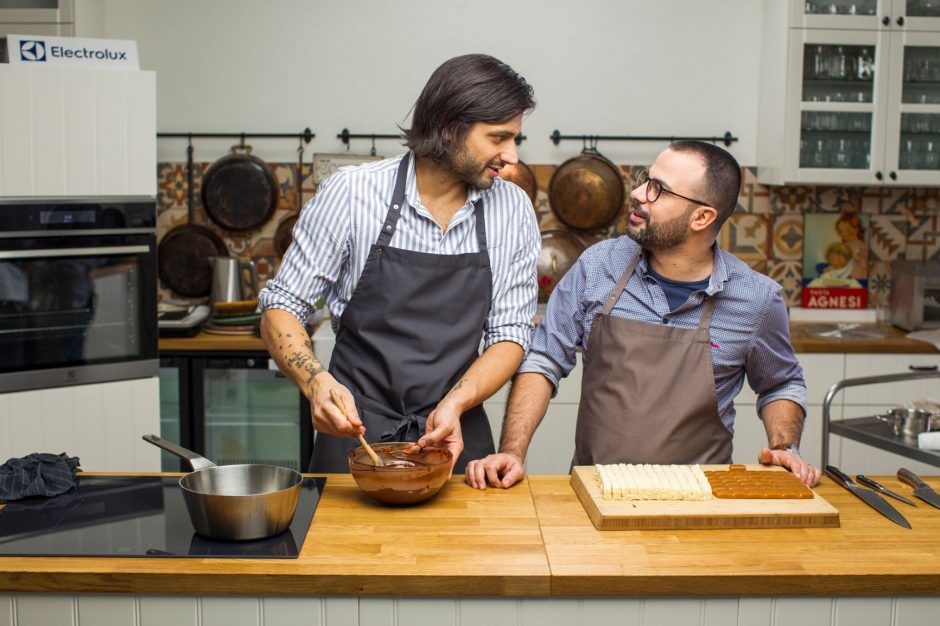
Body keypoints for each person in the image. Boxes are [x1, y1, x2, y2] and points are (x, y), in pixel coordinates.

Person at [466, 141, 822, 490]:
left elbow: (780, 384)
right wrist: (512, 452)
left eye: (658, 190)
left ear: (702, 217)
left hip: (700, 505)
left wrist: (784, 448)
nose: (637, 193)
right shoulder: (598, 265)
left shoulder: (757, 299)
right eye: (644, 179)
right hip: (596, 497)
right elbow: (543, 360)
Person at [258, 54, 539, 474]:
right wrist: (316, 381)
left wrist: (456, 402)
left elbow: (510, 335)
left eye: (515, 139)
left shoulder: (512, 208)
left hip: (455, 436)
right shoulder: (353, 194)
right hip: (355, 435)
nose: (511, 156)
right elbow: (281, 307)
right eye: (498, 138)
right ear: (449, 128)